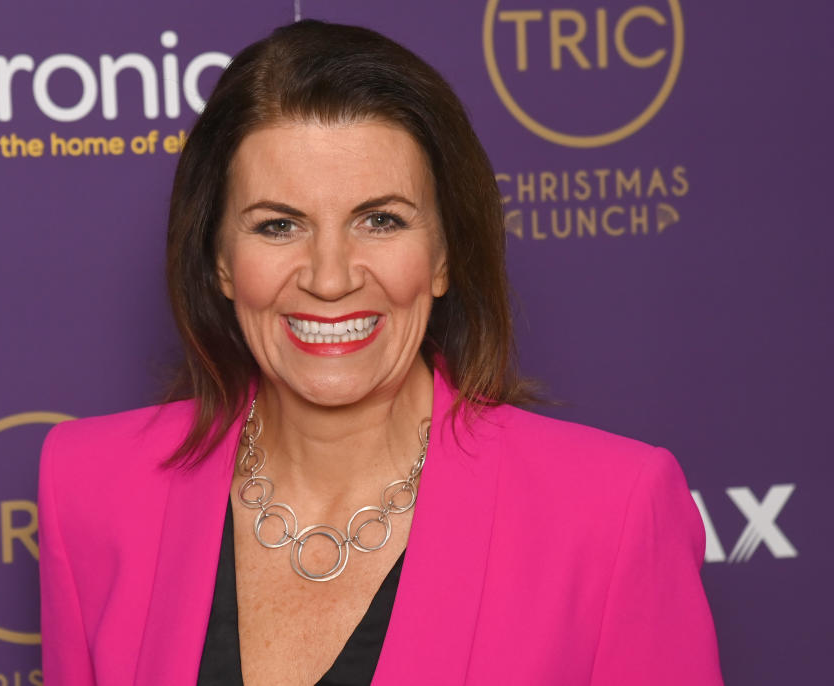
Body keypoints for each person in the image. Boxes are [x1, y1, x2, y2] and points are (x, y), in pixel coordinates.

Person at [38, 19, 724, 686]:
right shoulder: (90, 489)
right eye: (278, 225)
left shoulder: (610, 514)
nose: (330, 277)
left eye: (380, 220)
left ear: (445, 254)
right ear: (220, 260)